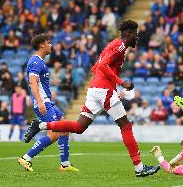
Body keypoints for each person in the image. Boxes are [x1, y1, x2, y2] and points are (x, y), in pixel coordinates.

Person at [24, 20, 160, 177]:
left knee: (79, 127)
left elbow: (96, 66)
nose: (137, 38)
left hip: (95, 89)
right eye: (136, 34)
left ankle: (41, 125)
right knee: (126, 126)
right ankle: (139, 168)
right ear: (128, 34)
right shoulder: (120, 45)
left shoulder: (113, 45)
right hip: (104, 89)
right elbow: (102, 66)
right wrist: (121, 82)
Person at [18, 33, 78, 172]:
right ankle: (26, 158)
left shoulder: (40, 61)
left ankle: (65, 164)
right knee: (54, 134)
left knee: (64, 126)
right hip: (43, 103)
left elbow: (39, 84)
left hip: (48, 101)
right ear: (42, 45)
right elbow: (32, 83)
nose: (51, 45)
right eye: (49, 42)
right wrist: (40, 102)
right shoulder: (35, 62)